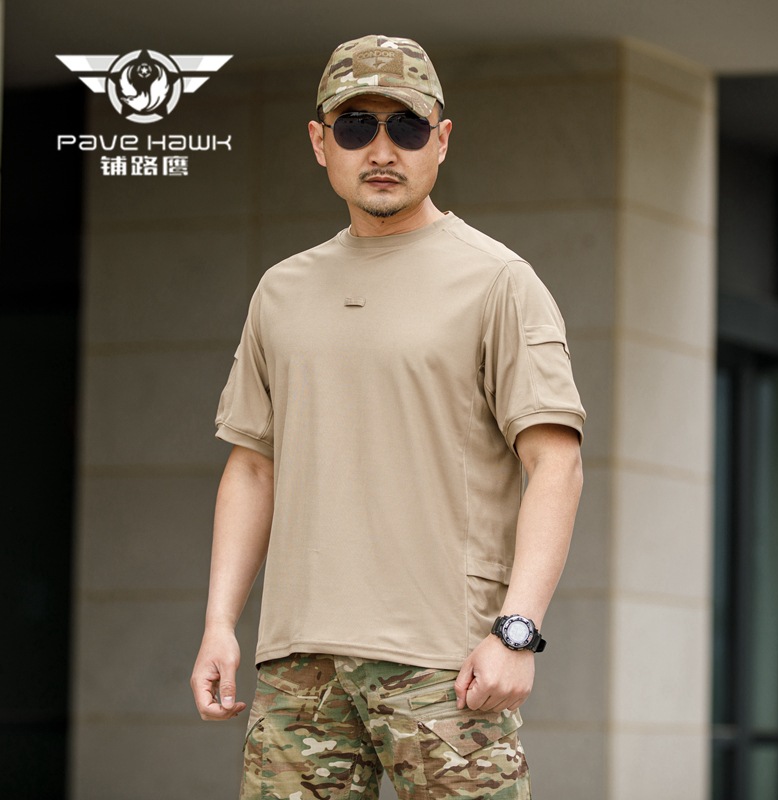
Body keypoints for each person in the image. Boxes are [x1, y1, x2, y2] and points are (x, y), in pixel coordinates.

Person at [190, 34, 585, 800]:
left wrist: (517, 630)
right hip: (298, 666)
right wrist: (218, 624)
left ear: (441, 139)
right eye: (355, 126)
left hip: (445, 666)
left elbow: (555, 463)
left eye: (405, 126)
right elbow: (253, 466)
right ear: (320, 142)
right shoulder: (281, 290)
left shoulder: (499, 282)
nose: (381, 150)